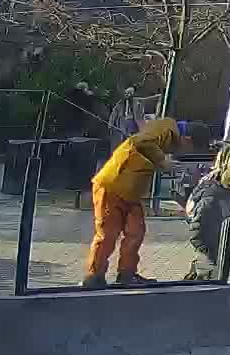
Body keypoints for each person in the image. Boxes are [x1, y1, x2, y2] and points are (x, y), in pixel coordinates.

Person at [83, 117, 196, 288]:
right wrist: (162, 161)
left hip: (131, 190)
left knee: (136, 232)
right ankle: (94, 276)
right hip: (113, 184)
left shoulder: (167, 132)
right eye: (191, 148)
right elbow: (140, 141)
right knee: (108, 234)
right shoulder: (167, 130)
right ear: (187, 139)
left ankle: (126, 274)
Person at [184, 142, 230, 280]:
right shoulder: (214, 195)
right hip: (214, 267)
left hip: (226, 263)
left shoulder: (229, 190)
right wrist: (215, 257)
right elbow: (198, 232)